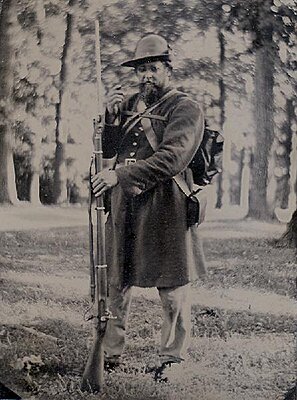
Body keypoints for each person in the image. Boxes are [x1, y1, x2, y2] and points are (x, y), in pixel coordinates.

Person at [91, 33, 207, 381]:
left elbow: (171, 159)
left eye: (153, 69)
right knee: (116, 281)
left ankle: (172, 357)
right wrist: (110, 119)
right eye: (141, 70)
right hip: (126, 203)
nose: (146, 77)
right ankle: (109, 354)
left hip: (166, 206)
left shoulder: (185, 108)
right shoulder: (127, 104)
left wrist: (118, 176)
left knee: (172, 288)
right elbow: (107, 151)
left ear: (168, 69)